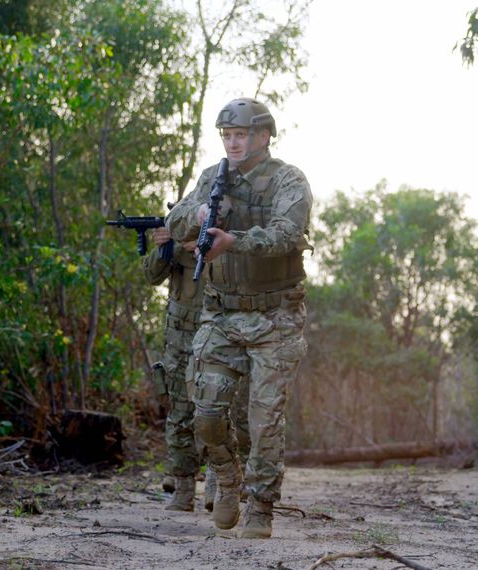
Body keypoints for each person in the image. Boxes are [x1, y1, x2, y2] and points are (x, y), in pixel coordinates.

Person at [167, 97, 312, 539]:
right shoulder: (213, 177)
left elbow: (289, 234)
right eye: (227, 136)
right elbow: (173, 221)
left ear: (264, 135)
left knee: (264, 421)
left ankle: (261, 506)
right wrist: (195, 215)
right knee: (206, 414)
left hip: (275, 316)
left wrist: (235, 240)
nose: (233, 143)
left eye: (242, 134)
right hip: (222, 312)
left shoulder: (288, 180)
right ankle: (227, 477)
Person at [141, 226, 251, 512]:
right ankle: (183, 487)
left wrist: (211, 246)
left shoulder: (227, 238)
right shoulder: (176, 240)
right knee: (179, 412)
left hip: (219, 335)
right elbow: (152, 275)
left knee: (216, 410)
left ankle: (218, 479)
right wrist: (168, 247)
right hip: (180, 337)